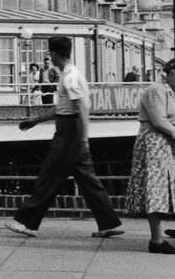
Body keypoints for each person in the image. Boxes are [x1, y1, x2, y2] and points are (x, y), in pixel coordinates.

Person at [7, 35, 123, 239]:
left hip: (70, 132)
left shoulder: (69, 77)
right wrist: (36, 120)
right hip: (71, 130)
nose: (49, 57)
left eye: (49, 53)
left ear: (54, 54)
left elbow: (80, 108)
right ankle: (109, 223)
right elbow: (63, 108)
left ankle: (27, 222)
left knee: (49, 175)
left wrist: (83, 138)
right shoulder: (72, 74)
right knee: (88, 181)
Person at [125, 57, 175, 253]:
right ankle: (156, 240)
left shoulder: (173, 93)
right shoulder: (155, 90)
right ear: (173, 72)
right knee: (156, 188)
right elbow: (158, 121)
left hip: (169, 142)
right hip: (154, 142)